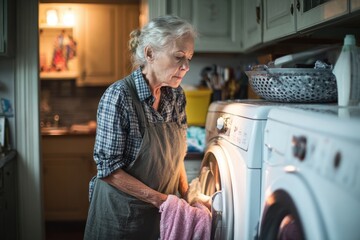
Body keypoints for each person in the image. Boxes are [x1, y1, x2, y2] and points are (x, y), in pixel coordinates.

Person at [84, 15, 197, 239]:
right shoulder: (119, 96)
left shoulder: (176, 95)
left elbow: (176, 157)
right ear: (149, 53)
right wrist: (162, 201)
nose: (186, 67)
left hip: (160, 216)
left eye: (189, 58)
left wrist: (186, 198)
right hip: (119, 219)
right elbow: (109, 170)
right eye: (178, 57)